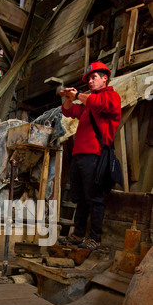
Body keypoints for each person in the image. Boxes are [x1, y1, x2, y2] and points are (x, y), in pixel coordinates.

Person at [59, 61, 121, 250]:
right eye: (89, 79)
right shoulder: (88, 102)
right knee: (80, 198)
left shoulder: (111, 97)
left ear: (105, 78)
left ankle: (95, 238)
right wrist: (69, 98)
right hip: (79, 155)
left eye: (94, 77)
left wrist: (77, 94)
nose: (90, 81)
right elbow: (68, 111)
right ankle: (78, 235)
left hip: (94, 155)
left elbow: (97, 103)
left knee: (94, 198)